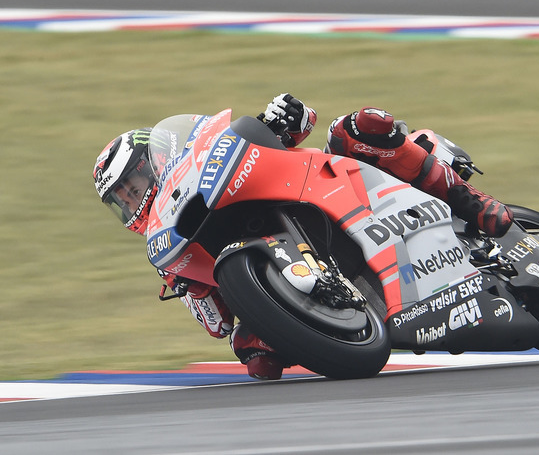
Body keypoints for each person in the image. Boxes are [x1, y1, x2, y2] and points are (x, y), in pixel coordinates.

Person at [92, 94, 513, 380]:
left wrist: (281, 118)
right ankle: (342, 318)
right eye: (123, 199)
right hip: (288, 264)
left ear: (157, 156)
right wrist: (194, 289)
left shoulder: (208, 155)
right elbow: (218, 325)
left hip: (339, 187)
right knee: (254, 354)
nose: (133, 198)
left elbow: (301, 121)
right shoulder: (171, 253)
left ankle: (468, 198)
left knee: (358, 127)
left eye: (134, 181)